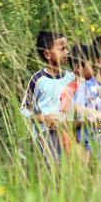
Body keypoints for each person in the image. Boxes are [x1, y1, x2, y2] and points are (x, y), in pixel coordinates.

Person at [20, 31, 75, 161]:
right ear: (47, 54)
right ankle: (29, 147)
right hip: (47, 133)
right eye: (62, 49)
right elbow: (24, 109)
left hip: (70, 130)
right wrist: (44, 119)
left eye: (67, 48)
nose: (67, 52)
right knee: (57, 162)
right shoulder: (38, 80)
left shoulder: (72, 76)